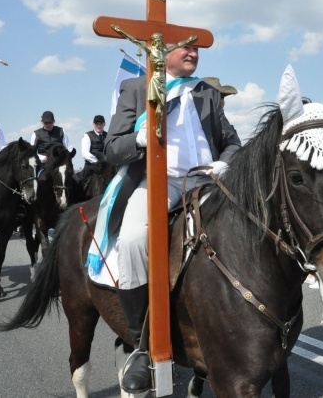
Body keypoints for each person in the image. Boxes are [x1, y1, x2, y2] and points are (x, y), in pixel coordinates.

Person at [103, 43, 241, 393]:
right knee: (135, 239)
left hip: (207, 179)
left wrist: (223, 162)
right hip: (159, 179)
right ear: (162, 52)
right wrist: (139, 136)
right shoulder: (136, 87)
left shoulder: (207, 92)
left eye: (197, 48)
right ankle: (139, 346)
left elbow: (232, 141)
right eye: (185, 47)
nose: (193, 53)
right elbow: (112, 148)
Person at [78, 114, 107, 183]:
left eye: (101, 124)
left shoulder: (108, 135)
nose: (99, 126)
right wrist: (97, 162)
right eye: (97, 124)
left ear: (104, 124)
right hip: (91, 165)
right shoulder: (87, 135)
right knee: (80, 182)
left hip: (105, 164)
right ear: (93, 124)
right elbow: (85, 153)